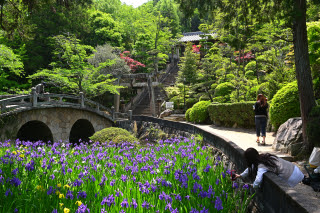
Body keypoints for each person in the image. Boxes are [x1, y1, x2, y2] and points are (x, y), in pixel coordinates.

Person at [234, 148, 304, 188]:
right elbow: (252, 167)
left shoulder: (261, 166)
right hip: (296, 170)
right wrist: (240, 175)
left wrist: (254, 186)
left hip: (292, 177)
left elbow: (258, 180)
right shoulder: (265, 157)